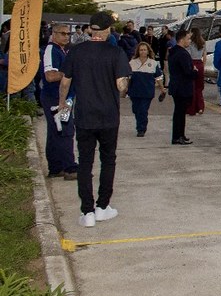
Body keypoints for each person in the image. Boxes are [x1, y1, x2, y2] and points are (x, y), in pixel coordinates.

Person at [56, 12, 131, 228]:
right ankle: (102, 207)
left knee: (85, 162)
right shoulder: (116, 53)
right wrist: (125, 85)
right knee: (108, 160)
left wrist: (63, 103)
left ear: (91, 29)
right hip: (108, 116)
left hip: (85, 115)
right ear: (108, 30)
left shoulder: (76, 52)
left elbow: (65, 82)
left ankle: (87, 212)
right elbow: (121, 86)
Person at [40, 25, 77, 179]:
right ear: (54, 34)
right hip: (56, 98)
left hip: (64, 97)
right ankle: (69, 167)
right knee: (65, 130)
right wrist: (69, 73)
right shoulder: (51, 50)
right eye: (63, 33)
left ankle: (56, 167)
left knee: (56, 131)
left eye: (69, 34)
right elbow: (50, 76)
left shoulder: (62, 50)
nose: (66, 36)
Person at [127, 41, 164, 137]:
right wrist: (125, 89)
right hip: (134, 91)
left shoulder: (153, 63)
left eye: (144, 50)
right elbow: (127, 78)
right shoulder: (132, 63)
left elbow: (159, 77)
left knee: (143, 110)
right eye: (141, 50)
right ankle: (140, 123)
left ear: (148, 51)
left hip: (147, 92)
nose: (143, 52)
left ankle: (141, 129)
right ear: (138, 51)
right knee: (136, 110)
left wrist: (162, 89)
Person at [167, 28, 197, 145]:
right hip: (183, 87)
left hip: (176, 86)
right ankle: (177, 136)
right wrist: (194, 71)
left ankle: (179, 135)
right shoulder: (183, 54)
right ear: (182, 39)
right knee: (180, 113)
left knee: (179, 112)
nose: (189, 41)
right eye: (188, 38)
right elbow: (188, 72)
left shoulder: (173, 52)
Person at [185, 26, 207, 116]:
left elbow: (188, 56)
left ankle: (191, 108)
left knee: (191, 87)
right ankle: (200, 107)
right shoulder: (203, 43)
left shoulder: (190, 43)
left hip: (192, 64)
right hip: (200, 64)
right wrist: (203, 66)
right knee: (199, 87)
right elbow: (204, 56)